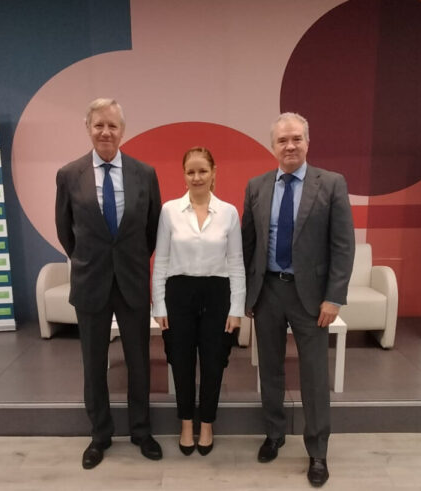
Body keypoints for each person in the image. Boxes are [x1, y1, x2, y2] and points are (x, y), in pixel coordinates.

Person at [241, 113, 354, 487]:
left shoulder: (332, 184)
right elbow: (248, 244)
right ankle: (274, 434)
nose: (289, 146)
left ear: (308, 141)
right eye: (282, 140)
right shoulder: (256, 186)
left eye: (296, 139)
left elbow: (343, 246)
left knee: (314, 376)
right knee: (270, 369)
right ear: (272, 146)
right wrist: (246, 295)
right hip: (268, 291)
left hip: (312, 298)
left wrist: (334, 298)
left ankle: (317, 452)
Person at [55, 98, 163, 469]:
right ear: (88, 128)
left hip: (131, 281)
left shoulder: (144, 173)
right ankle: (99, 435)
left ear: (123, 131)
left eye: (112, 126)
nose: (106, 132)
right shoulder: (69, 175)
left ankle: (141, 430)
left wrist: (127, 260)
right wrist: (92, 260)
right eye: (99, 125)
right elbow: (65, 232)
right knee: (93, 364)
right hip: (91, 283)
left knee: (139, 363)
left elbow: (152, 231)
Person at [152, 147, 245, 456]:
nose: (196, 177)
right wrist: (159, 305)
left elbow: (236, 264)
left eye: (202, 171)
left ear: (213, 172)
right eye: (190, 172)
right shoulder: (169, 211)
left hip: (218, 296)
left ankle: (207, 423)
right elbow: (161, 262)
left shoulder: (229, 212)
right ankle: (186, 423)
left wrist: (237, 309)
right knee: (181, 362)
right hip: (178, 295)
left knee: (213, 363)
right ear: (184, 175)